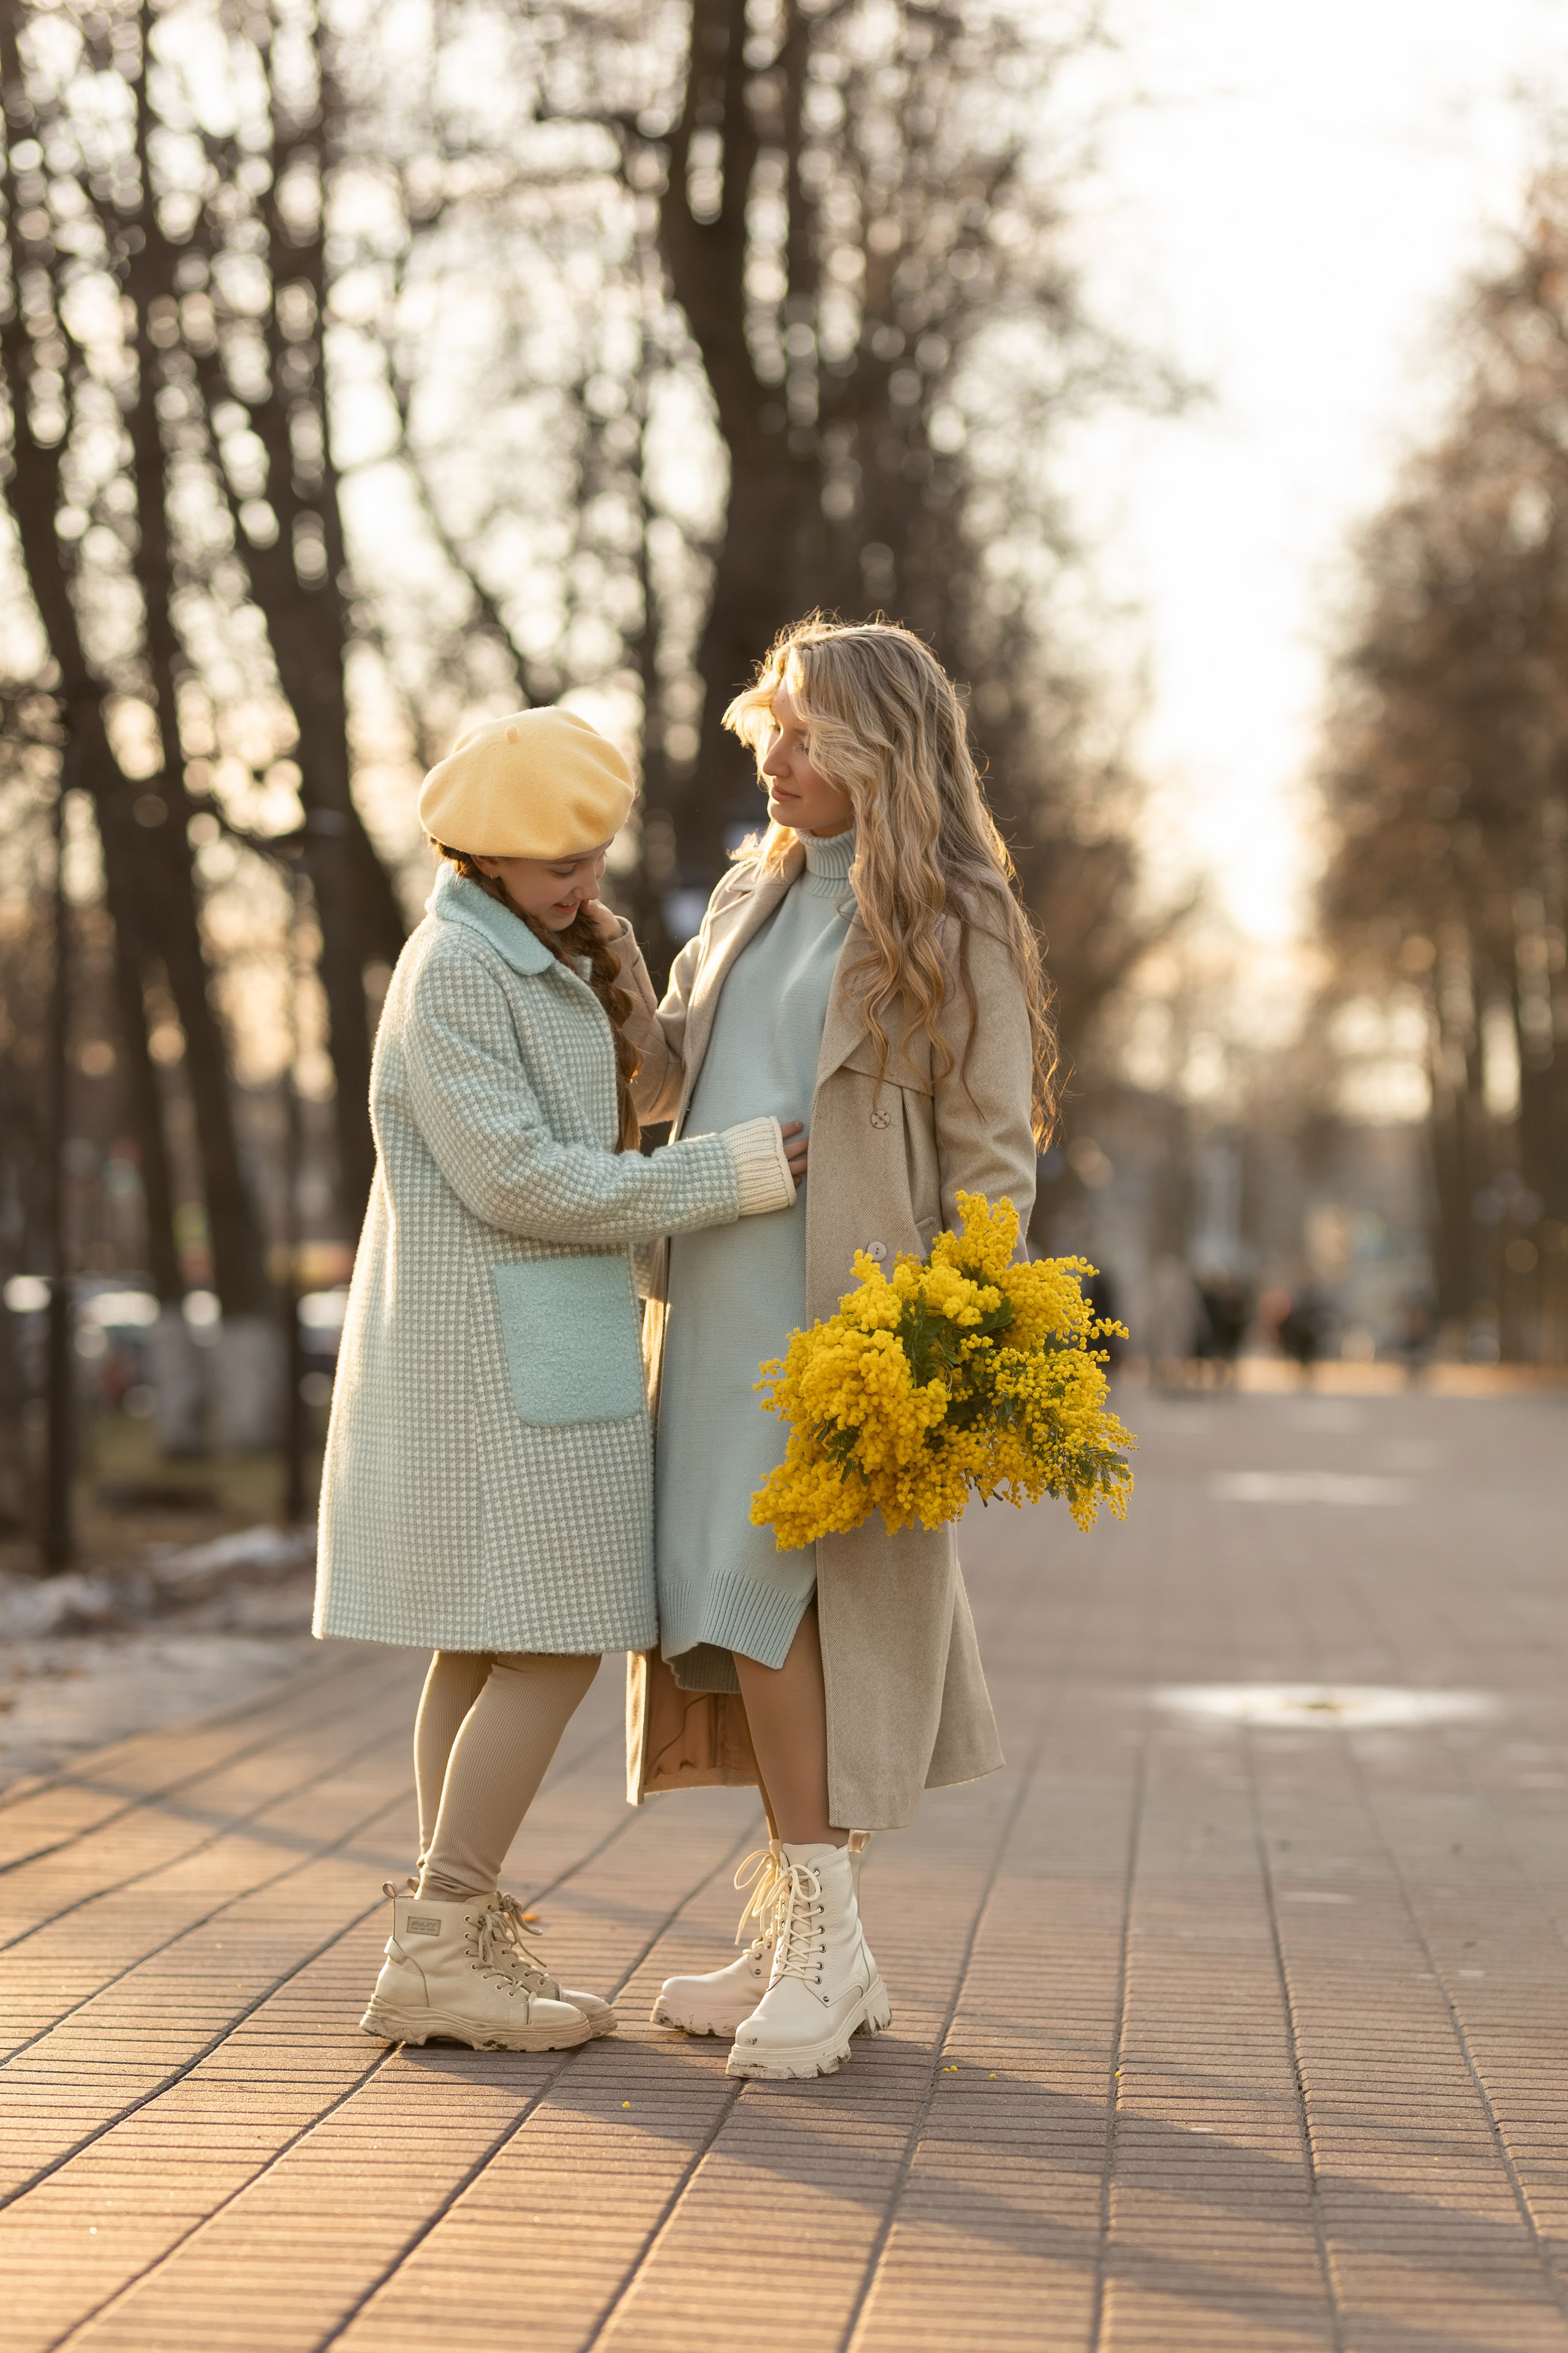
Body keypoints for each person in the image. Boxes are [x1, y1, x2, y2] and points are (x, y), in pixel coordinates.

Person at [313, 708, 804, 2054]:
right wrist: (731, 1174)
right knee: (550, 1639)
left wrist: (616, 972)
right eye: (556, 865)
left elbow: (622, 1106)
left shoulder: (526, 952)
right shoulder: (458, 973)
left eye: (592, 857)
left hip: (528, 1348)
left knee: (482, 1643)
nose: (583, 883)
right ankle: (437, 1940)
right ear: (479, 855)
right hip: (496, 1360)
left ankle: (451, 1942)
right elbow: (524, 1180)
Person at [613, 618, 1054, 2082]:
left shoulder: (954, 913)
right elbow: (665, 1076)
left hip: (846, 1326)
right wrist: (606, 966)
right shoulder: (752, 887)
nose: (777, 758)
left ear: (883, 746)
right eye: (773, 731)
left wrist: (951, 1341)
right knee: (733, 1609)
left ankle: (823, 1942)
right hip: (712, 1297)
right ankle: (801, 1936)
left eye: (807, 735)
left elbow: (991, 1156)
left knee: (779, 1605)